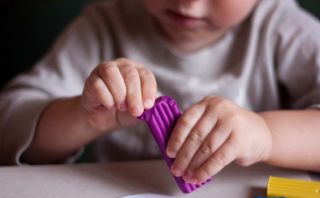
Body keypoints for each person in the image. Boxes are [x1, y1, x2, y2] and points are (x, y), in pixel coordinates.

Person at [1, 0, 320, 185]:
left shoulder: (280, 26)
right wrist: (82, 118)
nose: (188, 2)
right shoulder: (105, 26)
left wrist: (266, 134)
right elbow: (9, 124)